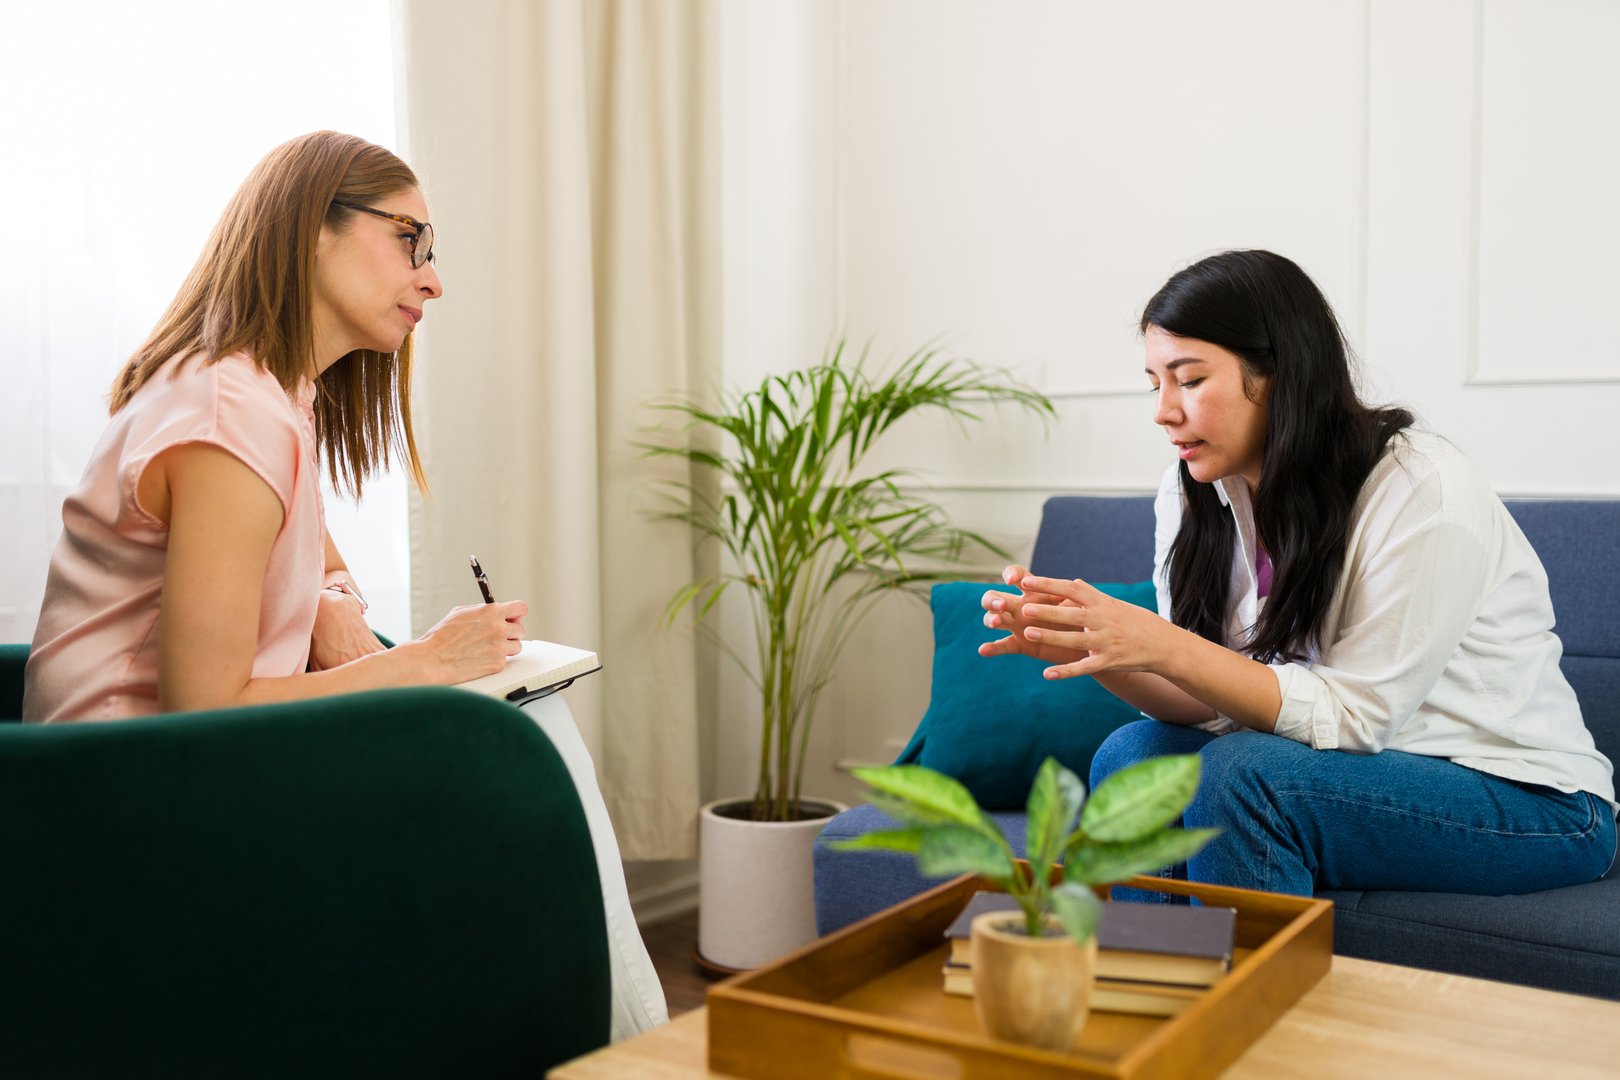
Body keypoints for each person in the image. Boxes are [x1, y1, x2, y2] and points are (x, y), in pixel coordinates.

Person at [23, 131, 666, 1037]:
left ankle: (618, 1039)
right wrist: (433, 661)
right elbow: (201, 711)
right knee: (523, 759)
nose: (434, 279)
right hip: (128, 798)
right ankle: (621, 1040)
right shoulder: (229, 414)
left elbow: (320, 559)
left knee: (537, 732)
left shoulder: (273, 394)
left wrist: (332, 608)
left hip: (180, 771)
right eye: (412, 240)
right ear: (311, 229)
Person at [980, 249, 1616, 898]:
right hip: (1352, 774)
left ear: (1280, 372)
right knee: (1132, 755)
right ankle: (1147, 986)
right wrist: (1105, 652)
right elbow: (1211, 703)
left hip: (1533, 801)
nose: (1163, 411)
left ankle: (1251, 997)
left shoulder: (1421, 489)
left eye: (1190, 380)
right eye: (1155, 383)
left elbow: (1355, 718)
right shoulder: (1192, 489)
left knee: (1245, 776)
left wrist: (1164, 642)